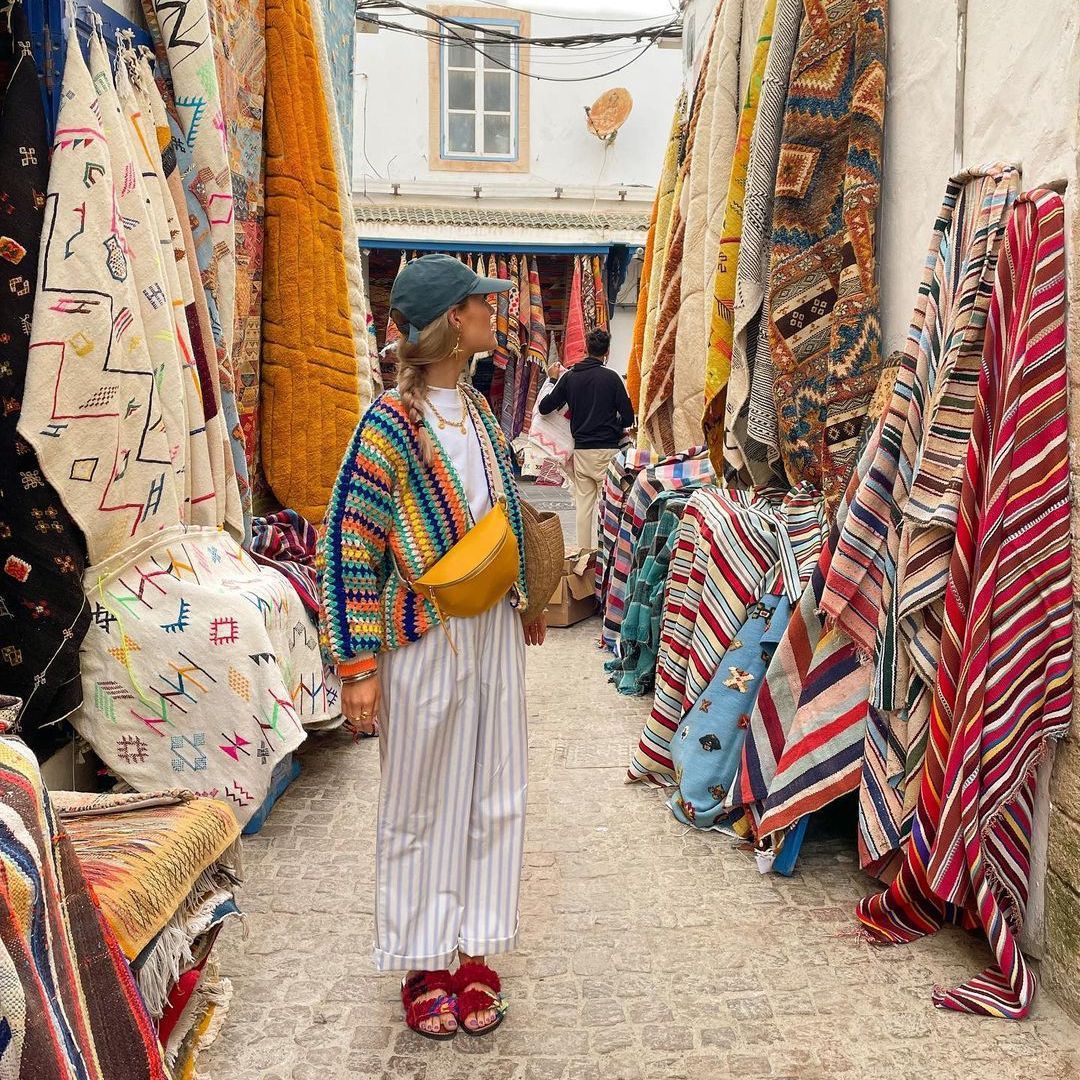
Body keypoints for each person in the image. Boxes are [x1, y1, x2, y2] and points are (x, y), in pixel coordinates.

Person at [319, 254, 547, 1041]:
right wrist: (357, 666)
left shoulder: (481, 412)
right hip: (423, 635)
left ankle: (476, 948)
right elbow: (350, 541)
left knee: (495, 789)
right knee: (420, 798)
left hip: (489, 635)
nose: (495, 311)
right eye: (484, 302)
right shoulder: (388, 421)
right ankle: (424, 959)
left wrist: (529, 596)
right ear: (455, 318)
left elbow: (502, 514)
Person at [538, 328, 634, 550]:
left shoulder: (569, 377)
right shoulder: (612, 378)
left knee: (583, 506)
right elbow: (628, 417)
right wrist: (613, 425)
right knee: (610, 505)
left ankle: (584, 554)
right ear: (607, 352)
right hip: (607, 452)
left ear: (586, 349)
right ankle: (608, 553)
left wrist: (552, 381)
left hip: (581, 451)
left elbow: (545, 408)